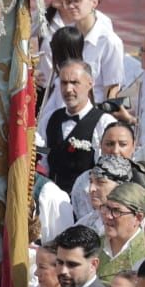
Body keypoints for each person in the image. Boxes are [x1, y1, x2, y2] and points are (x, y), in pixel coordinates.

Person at [45, 60, 116, 194]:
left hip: (86, 203)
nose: (68, 89)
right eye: (64, 83)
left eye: (75, 83)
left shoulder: (104, 123)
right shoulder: (51, 118)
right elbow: (43, 159)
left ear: (90, 84)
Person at [98, 181, 145, 281]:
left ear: (138, 217)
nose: (108, 216)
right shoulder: (95, 244)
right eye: (106, 208)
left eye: (116, 211)